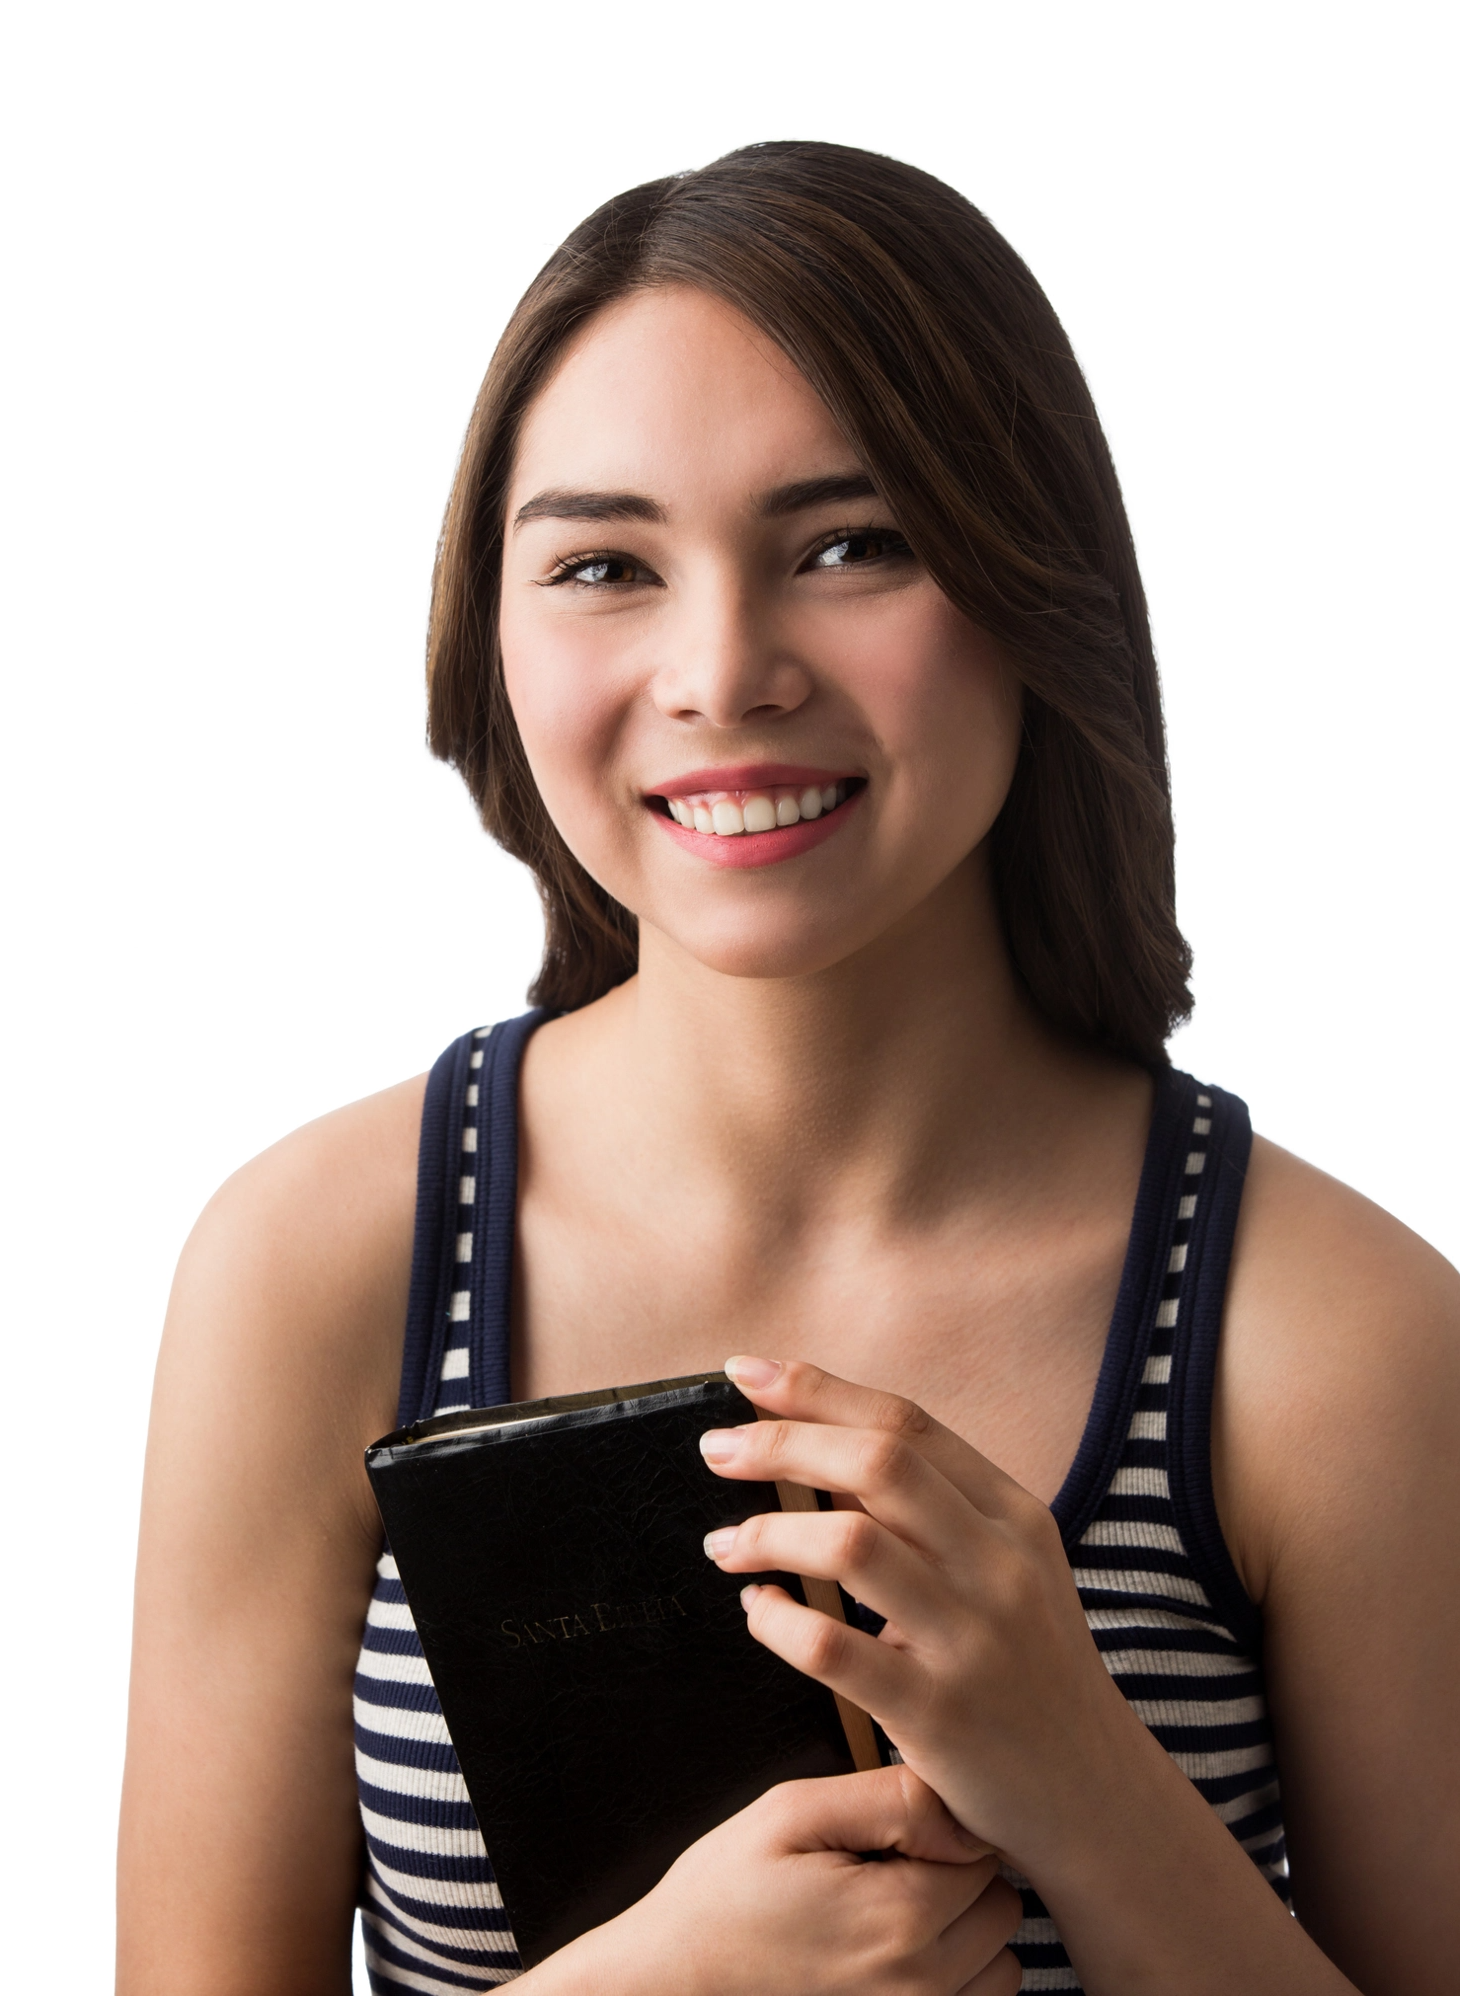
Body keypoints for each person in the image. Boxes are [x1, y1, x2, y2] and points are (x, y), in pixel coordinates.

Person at [117, 142, 1459, 1996]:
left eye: (851, 546)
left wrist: (1077, 1767)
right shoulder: (319, 1263)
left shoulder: (1330, 1336)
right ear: (486, 634)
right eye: (604, 564)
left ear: (1030, 583)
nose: (723, 668)